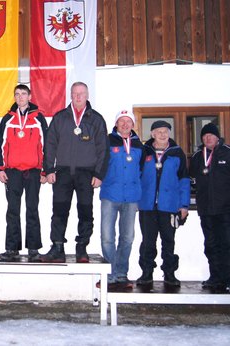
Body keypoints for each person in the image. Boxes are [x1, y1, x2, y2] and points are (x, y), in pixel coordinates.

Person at [42, 81, 109, 263]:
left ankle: (82, 247)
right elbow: (50, 144)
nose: (78, 96)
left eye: (81, 93)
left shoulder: (96, 119)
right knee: (59, 211)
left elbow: (103, 149)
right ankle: (57, 247)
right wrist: (49, 169)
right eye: (75, 93)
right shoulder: (60, 117)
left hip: (86, 174)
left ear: (87, 95)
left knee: (85, 212)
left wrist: (98, 174)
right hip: (62, 172)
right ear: (70, 95)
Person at [190, 123, 230, 293]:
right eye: (205, 136)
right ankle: (216, 277)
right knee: (211, 245)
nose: (208, 138)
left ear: (218, 137)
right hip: (206, 209)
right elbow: (192, 181)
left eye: (211, 135)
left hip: (227, 209)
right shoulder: (197, 156)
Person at [0, 84, 48, 262]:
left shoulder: (39, 118)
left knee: (32, 209)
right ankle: (12, 249)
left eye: (23, 94)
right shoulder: (7, 119)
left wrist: (45, 170)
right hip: (13, 172)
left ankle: (33, 248)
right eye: (17, 94)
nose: (20, 97)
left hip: (33, 171)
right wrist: (0, 169)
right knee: (12, 211)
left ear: (30, 96)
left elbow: (47, 145)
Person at [136, 120, 190, 287]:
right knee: (148, 242)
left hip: (169, 206)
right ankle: (146, 273)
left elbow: (184, 180)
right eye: (158, 131)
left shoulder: (177, 152)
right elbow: (136, 176)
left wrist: (184, 205)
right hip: (148, 206)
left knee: (168, 241)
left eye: (165, 131)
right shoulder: (144, 151)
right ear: (152, 134)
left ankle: (169, 273)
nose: (162, 134)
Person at [99, 110, 144, 287]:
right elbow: (100, 163)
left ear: (133, 124)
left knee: (127, 237)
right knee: (107, 237)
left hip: (132, 197)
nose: (125, 125)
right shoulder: (107, 141)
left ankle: (121, 273)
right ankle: (109, 274)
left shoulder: (140, 145)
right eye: (121, 121)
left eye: (128, 121)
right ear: (116, 123)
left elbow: (141, 170)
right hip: (111, 194)